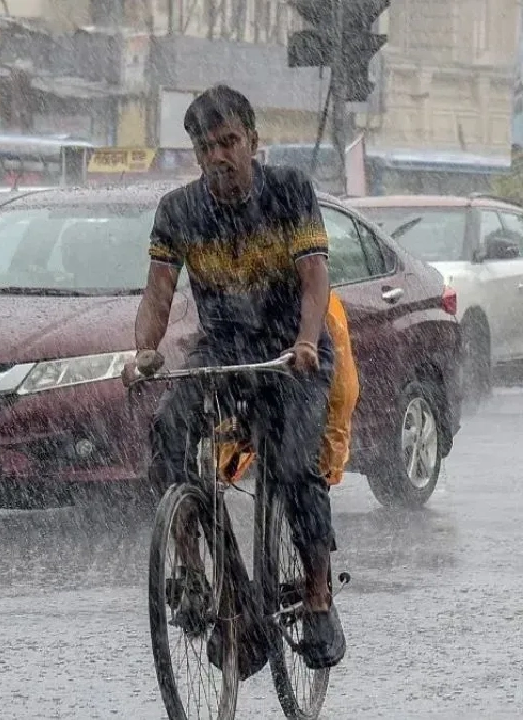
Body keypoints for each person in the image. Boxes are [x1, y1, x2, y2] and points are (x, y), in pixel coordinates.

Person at [124, 85, 346, 669]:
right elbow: (157, 293)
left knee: (294, 465)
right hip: (225, 350)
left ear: (253, 141)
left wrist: (302, 341)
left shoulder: (289, 191)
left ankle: (319, 596)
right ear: (195, 154)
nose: (219, 156)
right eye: (206, 147)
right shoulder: (177, 211)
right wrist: (144, 352)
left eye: (229, 142)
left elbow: (314, 276)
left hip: (291, 352)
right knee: (170, 437)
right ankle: (201, 577)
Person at [217, 289, 360, 486]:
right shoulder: (238, 303)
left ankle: (303, 500)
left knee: (303, 468)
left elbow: (341, 394)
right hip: (262, 377)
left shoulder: (326, 310)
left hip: (306, 381)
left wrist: (328, 462)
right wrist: (221, 467)